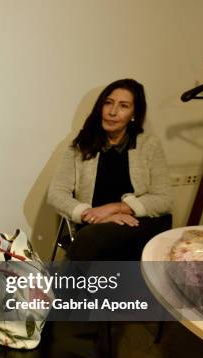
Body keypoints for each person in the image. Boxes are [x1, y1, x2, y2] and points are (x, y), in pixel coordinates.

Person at [48, 78, 172, 260]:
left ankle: (61, 288)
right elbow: (56, 193)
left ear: (133, 114)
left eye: (123, 106)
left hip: (141, 221)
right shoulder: (81, 143)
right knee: (91, 238)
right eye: (108, 103)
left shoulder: (149, 145)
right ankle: (65, 288)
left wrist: (114, 209)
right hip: (94, 226)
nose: (112, 112)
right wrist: (92, 215)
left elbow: (164, 199)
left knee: (97, 243)